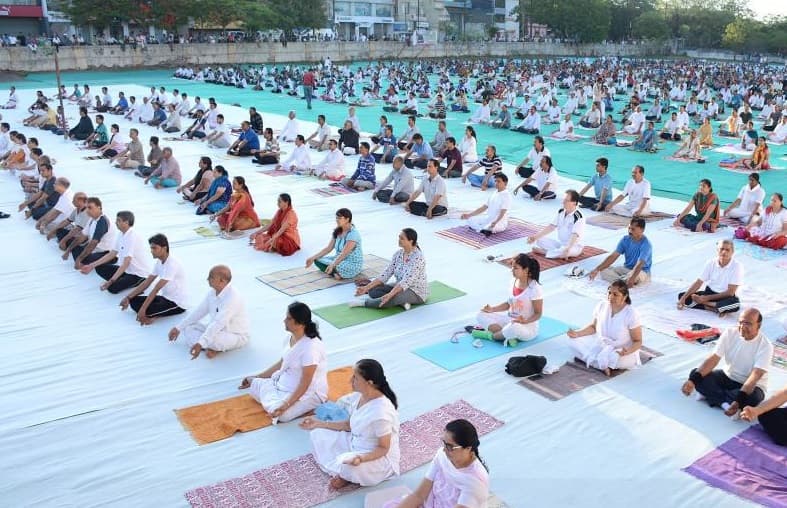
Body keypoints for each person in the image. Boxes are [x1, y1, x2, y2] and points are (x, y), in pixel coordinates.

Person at [300, 359, 400, 489]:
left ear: (369, 383)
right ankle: (345, 471)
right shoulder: (360, 396)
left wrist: (361, 458)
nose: (350, 381)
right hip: (355, 443)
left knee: (350, 466)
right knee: (317, 433)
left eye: (355, 378)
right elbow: (349, 425)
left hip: (376, 458)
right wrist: (319, 423)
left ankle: (345, 475)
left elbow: (383, 448)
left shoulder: (381, 413)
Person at [239, 301, 327, 421]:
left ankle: (283, 405)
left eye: (289, 318)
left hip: (307, 393)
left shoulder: (310, 349)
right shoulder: (290, 337)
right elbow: (282, 363)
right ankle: (275, 403)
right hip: (283, 386)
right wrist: (257, 376)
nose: (284, 321)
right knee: (254, 385)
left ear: (300, 324)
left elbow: (305, 383)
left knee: (282, 416)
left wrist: (286, 404)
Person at [681, 308, 773, 418]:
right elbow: (714, 358)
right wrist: (693, 380)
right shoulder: (730, 333)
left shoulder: (766, 346)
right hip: (727, 376)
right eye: (740, 322)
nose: (742, 327)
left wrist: (739, 399)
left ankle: (712, 396)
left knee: (752, 398)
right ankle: (724, 403)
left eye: (748, 323)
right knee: (696, 374)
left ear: (758, 325)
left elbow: (755, 376)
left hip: (751, 385)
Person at [381, 419, 488, 508]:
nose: (444, 450)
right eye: (444, 443)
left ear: (468, 448)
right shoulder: (442, 456)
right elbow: (419, 495)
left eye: (450, 447)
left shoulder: (474, 482)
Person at [168, 265, 249, 359]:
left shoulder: (233, 297)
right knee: (189, 327)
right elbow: (198, 312)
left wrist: (200, 343)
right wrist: (178, 328)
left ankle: (209, 346)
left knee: (214, 340)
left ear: (222, 281)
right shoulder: (212, 292)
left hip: (233, 334)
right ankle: (210, 347)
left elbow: (219, 323)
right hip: (215, 329)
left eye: (211, 277)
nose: (207, 279)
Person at [567, 280, 643, 375]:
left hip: (620, 350)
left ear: (624, 296)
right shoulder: (602, 305)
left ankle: (596, 361)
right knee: (572, 341)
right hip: (601, 344)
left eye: (615, 294)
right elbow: (593, 327)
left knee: (615, 358)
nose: (611, 297)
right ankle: (601, 365)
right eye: (609, 293)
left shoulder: (631, 313)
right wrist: (577, 333)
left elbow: (638, 341)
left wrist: (627, 352)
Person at [472, 253, 543, 346]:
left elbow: (538, 313)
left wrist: (525, 321)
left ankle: (491, 336)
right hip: (509, 321)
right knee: (480, 314)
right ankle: (506, 336)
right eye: (512, 267)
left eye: (516, 268)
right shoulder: (513, 281)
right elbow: (509, 303)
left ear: (526, 270)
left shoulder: (534, 288)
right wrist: (492, 309)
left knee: (514, 327)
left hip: (526, 327)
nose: (512, 270)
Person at [352, 228, 428, 310]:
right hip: (399, 286)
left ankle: (364, 303)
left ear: (411, 241)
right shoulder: (398, 254)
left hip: (415, 291)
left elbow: (406, 281)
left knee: (388, 299)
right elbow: (386, 274)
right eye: (399, 237)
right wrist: (366, 288)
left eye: (402, 238)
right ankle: (402, 302)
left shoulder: (418, 258)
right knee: (373, 290)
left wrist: (390, 295)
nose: (399, 240)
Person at [120, 234, 187, 325]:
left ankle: (153, 315)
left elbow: (156, 289)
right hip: (165, 297)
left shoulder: (172, 264)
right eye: (151, 248)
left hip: (176, 303)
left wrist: (143, 310)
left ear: (164, 248)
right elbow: (147, 282)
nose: (151, 251)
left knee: (146, 310)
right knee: (133, 301)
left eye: (154, 248)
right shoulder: (159, 262)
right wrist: (128, 297)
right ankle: (151, 312)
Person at [79, 210, 151, 294]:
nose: (115, 222)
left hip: (138, 274)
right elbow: (112, 253)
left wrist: (111, 281)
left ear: (126, 222)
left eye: (118, 221)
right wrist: (91, 265)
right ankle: (120, 279)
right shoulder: (121, 234)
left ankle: (138, 282)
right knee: (99, 267)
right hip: (126, 271)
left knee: (112, 288)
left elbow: (126, 263)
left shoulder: (132, 237)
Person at [677, 240, 743, 315]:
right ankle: (714, 308)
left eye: (727, 250)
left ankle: (707, 304)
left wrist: (705, 299)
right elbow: (699, 282)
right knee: (681, 296)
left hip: (725, 296)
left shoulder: (737, 266)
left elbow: (730, 292)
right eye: (721, 249)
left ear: (732, 252)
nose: (724, 252)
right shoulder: (711, 263)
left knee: (735, 304)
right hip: (709, 292)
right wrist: (683, 298)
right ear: (717, 250)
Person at [589, 217, 652, 287]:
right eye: (629, 228)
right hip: (626, 269)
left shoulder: (646, 244)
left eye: (633, 229)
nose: (630, 231)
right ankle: (623, 282)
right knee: (603, 270)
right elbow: (613, 256)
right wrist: (597, 269)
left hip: (642, 272)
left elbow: (640, 264)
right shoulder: (625, 239)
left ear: (642, 230)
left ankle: (623, 281)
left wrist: (632, 278)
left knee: (632, 277)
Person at [305, 208, 363, 280]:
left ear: (347, 219)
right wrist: (312, 258)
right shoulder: (337, 230)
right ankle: (334, 272)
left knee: (338, 266)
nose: (337, 220)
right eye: (336, 218)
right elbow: (328, 248)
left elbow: (344, 254)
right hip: (338, 259)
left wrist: (333, 264)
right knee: (317, 260)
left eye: (339, 218)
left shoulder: (353, 234)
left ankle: (334, 270)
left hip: (351, 263)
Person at [528, 190, 586, 259]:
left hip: (573, 245)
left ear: (574, 203)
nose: (563, 202)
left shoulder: (578, 216)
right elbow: (551, 227)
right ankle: (556, 252)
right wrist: (535, 237)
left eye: (566, 200)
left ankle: (545, 252)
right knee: (539, 240)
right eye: (564, 199)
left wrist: (568, 248)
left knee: (565, 252)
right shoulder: (561, 212)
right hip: (560, 243)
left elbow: (575, 235)